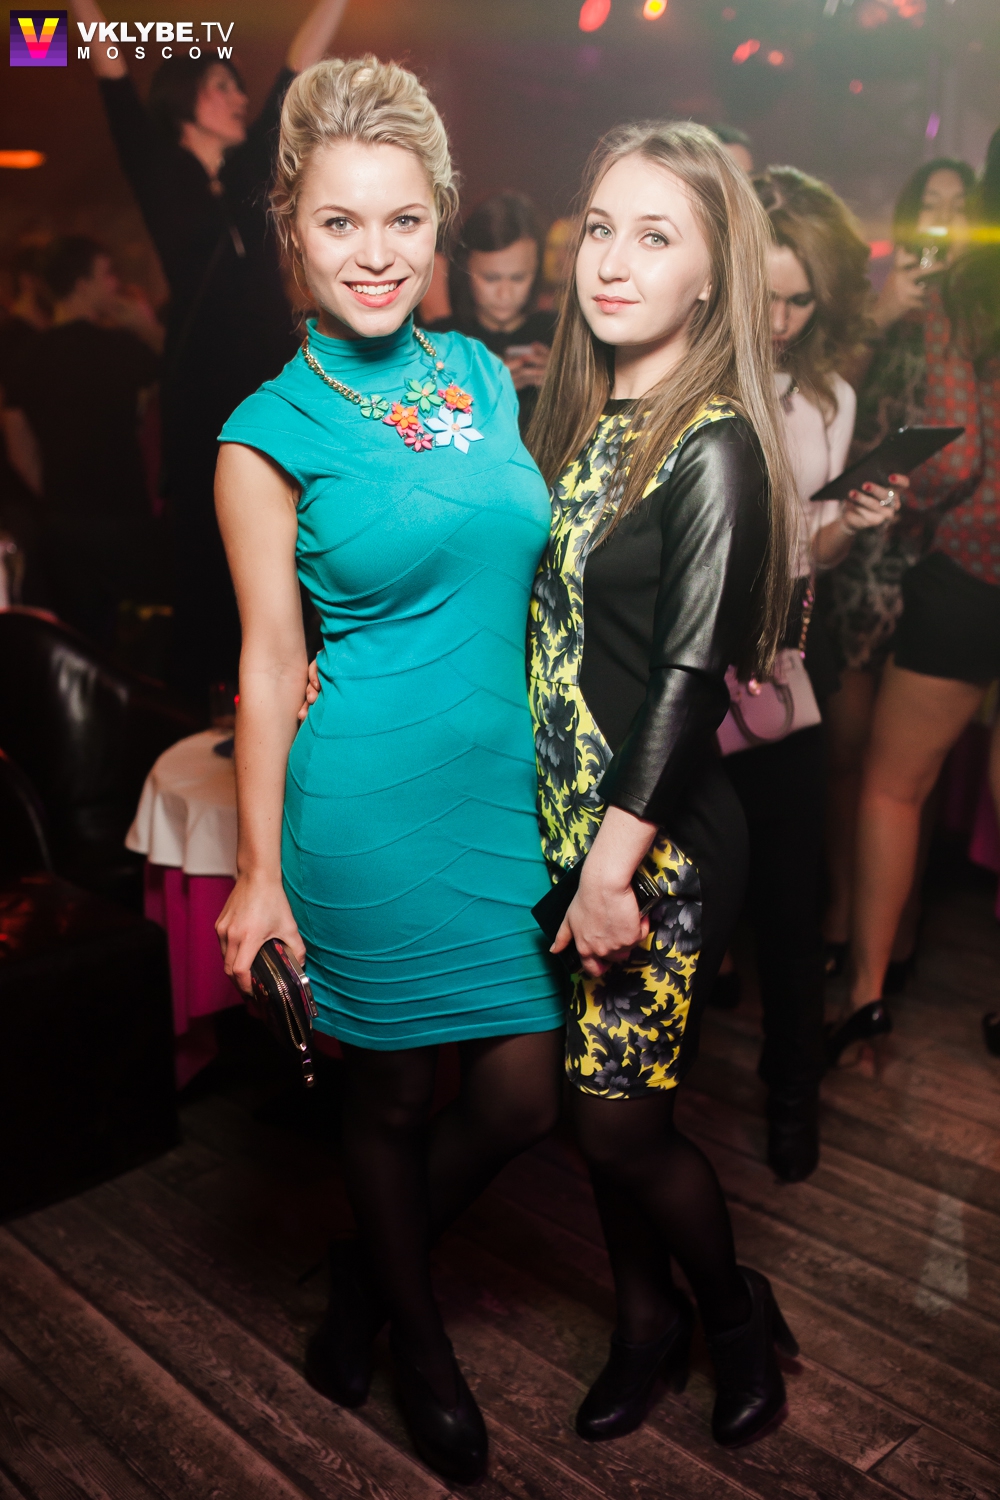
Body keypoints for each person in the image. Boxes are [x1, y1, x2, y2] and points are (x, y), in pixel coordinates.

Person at [213, 57, 564, 1486]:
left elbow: (516, 570)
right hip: (365, 802)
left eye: (404, 221)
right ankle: (418, 1346)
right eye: (341, 222)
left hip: (500, 801)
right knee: (395, 1100)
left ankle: (369, 1273)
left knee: (523, 1097)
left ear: (439, 224)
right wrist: (257, 876)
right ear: (292, 231)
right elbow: (266, 661)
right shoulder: (265, 433)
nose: (376, 253)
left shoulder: (479, 374)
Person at [526, 121, 798, 1448]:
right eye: (599, 228)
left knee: (621, 1127)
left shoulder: (713, 445)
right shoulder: (587, 420)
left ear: (709, 277)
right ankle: (644, 1326)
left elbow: (688, 679)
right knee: (596, 1117)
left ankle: (733, 1320)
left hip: (654, 848)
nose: (613, 261)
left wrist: (609, 872)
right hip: (572, 835)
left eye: (655, 235)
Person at [712, 168, 904, 1181]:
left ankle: (793, 1094)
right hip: (687, 661)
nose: (782, 320)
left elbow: (813, 552)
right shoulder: (691, 378)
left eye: (802, 302)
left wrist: (849, 525)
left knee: (790, 904)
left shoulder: (829, 395)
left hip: (780, 660)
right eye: (769, 296)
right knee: (680, 897)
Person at [71, 0, 349, 698]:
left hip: (276, 382)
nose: (239, 96)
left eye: (237, 86)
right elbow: (111, 73)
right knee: (209, 548)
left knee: (292, 538)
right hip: (203, 394)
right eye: (222, 85)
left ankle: (296, 693)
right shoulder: (158, 169)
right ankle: (204, 705)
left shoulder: (251, 167)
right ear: (183, 102)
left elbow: (296, 68)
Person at [832, 144, 1000, 1070]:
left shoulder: (963, 295)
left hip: (970, 576)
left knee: (894, 786)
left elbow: (957, 457)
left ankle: (864, 999)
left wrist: (911, 494)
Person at [1, 235, 161, 647]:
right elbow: (179, 383)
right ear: (81, 284)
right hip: (125, 515)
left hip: (63, 520)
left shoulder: (27, 357)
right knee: (141, 636)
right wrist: (146, 325)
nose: (115, 284)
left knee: (82, 644)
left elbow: (17, 443)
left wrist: (52, 490)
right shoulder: (123, 347)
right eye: (106, 274)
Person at [427, 192, 555, 432]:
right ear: (465, 269)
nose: (504, 294)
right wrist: (480, 391)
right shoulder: (437, 342)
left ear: (537, 270)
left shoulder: (562, 335)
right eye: (491, 278)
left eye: (518, 278)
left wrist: (566, 383)